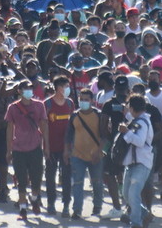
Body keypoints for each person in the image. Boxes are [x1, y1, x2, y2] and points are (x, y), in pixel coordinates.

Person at [5, 79, 48, 219]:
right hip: (18, 149)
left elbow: (44, 126)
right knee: (21, 180)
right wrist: (9, 150)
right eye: (25, 88)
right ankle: (23, 209)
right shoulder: (13, 107)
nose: (29, 91)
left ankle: (34, 198)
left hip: (35, 147)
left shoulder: (39, 106)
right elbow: (10, 129)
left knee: (36, 180)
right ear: (19, 91)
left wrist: (46, 146)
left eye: (30, 88)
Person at [65, 87, 108, 219]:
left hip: (95, 156)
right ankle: (77, 210)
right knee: (77, 183)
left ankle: (97, 207)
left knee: (97, 182)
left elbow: (105, 137)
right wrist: (67, 152)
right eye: (81, 99)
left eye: (86, 100)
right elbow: (68, 136)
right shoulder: (74, 116)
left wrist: (98, 151)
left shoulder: (99, 116)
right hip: (77, 155)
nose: (83, 102)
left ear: (92, 101)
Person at [120, 94, 154, 228]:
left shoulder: (142, 122)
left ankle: (136, 223)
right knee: (126, 194)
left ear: (133, 108)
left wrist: (126, 132)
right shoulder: (138, 119)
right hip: (131, 163)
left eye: (129, 107)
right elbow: (130, 117)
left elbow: (139, 141)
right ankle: (145, 213)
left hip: (141, 163)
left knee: (133, 194)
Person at [44, 76, 74, 217]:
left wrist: (70, 147)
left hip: (66, 147)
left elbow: (73, 127)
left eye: (68, 86)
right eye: (65, 86)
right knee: (50, 176)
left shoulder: (70, 104)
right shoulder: (47, 104)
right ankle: (51, 203)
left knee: (66, 176)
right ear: (58, 88)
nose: (67, 89)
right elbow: (44, 128)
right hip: (51, 146)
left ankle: (66, 205)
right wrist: (46, 148)